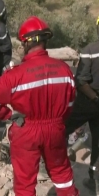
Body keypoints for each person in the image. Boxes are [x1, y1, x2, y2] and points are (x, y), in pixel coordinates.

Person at [0, 16, 78, 195]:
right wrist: (57, 121)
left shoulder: (15, 75)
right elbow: (70, 103)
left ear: (25, 43)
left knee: (25, 183)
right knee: (62, 174)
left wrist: (8, 115)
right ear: (45, 41)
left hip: (26, 129)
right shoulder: (64, 70)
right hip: (55, 128)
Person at [65, 19, 99, 190]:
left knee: (62, 127)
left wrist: (94, 98)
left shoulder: (90, 50)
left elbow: (80, 81)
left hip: (88, 101)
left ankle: (53, 165)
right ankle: (93, 179)